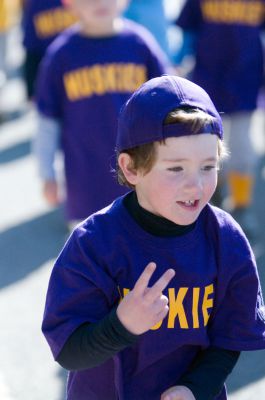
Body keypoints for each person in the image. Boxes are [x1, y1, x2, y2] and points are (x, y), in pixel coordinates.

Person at [42, 75, 265, 400]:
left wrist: (195, 388)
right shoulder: (93, 243)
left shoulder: (225, 238)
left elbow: (228, 339)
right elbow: (70, 352)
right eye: (176, 169)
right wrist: (121, 324)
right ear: (131, 168)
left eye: (208, 166)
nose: (196, 185)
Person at [34, 0, 170, 228]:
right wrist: (47, 174)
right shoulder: (61, 54)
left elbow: (168, 102)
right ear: (70, 4)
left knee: (140, 249)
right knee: (90, 253)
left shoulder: (139, 43)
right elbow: (47, 122)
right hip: (84, 181)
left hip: (140, 175)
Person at [174, 0, 265, 238]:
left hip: (246, 81)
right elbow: (188, 30)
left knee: (242, 149)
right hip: (207, 83)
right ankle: (212, 198)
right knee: (208, 145)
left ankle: (241, 204)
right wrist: (178, 60)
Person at [21, 0, 77, 99]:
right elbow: (32, 50)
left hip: (80, 80)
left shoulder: (84, 4)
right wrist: (31, 91)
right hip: (51, 82)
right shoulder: (36, 4)